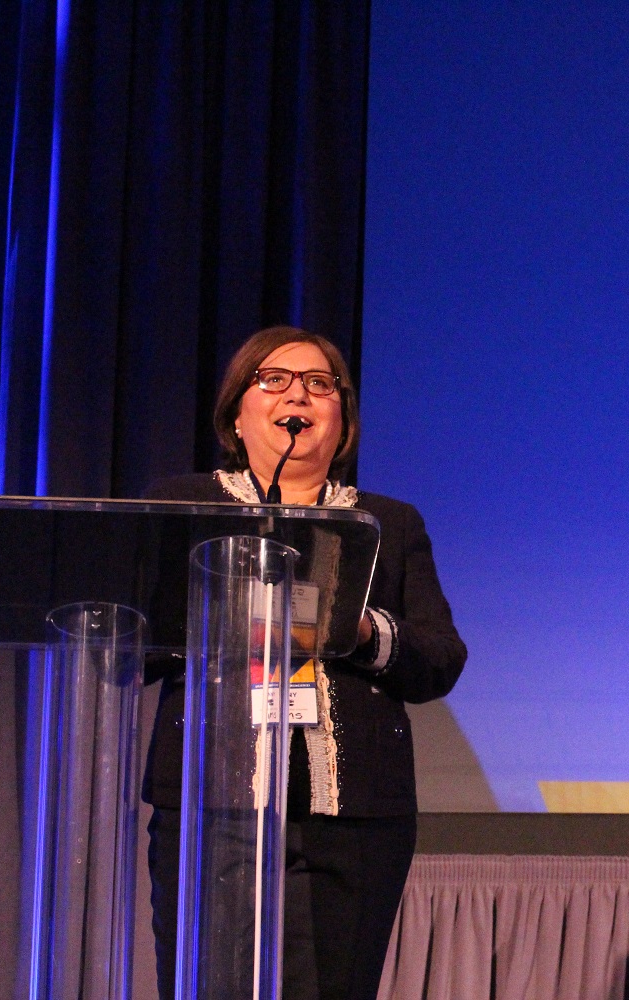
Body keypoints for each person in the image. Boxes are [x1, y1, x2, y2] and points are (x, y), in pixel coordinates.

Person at [143, 325, 467, 1000]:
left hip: (355, 817)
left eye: (321, 384)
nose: (299, 396)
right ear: (237, 415)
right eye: (275, 380)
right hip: (211, 803)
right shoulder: (181, 506)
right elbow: (135, 642)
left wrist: (358, 629)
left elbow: (439, 659)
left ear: (341, 420)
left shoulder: (389, 522)